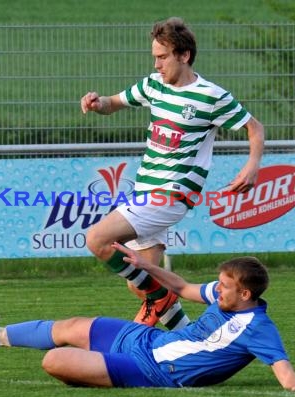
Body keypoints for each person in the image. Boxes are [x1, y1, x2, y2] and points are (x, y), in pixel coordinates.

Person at [80, 17, 265, 331]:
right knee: (142, 284)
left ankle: (160, 299)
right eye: (154, 57)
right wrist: (97, 103)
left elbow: (254, 127)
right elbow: (115, 103)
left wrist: (252, 167)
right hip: (144, 191)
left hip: (170, 194)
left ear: (184, 55)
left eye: (162, 57)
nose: (157, 64)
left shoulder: (210, 96)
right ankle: (190, 339)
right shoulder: (153, 85)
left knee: (97, 238)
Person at [0, 243, 295, 390]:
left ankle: (102, 365)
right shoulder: (225, 298)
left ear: (246, 295)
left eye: (224, 286)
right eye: (219, 284)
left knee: (54, 361)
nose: (217, 290)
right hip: (148, 339)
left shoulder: (259, 328)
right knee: (71, 326)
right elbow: (184, 287)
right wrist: (146, 264)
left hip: (154, 371)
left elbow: (284, 372)